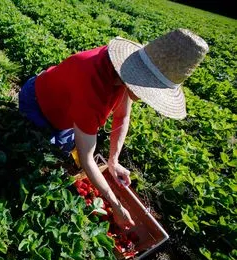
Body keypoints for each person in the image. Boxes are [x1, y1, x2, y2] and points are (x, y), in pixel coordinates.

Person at [19, 28, 208, 229]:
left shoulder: (124, 71)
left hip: (68, 108)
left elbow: (122, 115)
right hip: (39, 105)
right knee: (44, 157)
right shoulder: (92, 88)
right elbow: (87, 159)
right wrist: (115, 205)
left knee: (67, 148)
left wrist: (114, 160)